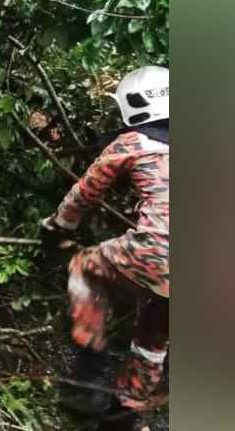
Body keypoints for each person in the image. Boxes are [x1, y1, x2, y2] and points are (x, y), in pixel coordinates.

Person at [40, 66, 169, 429]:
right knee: (157, 327)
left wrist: (58, 226)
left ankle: (85, 375)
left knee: (83, 266)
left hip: (161, 249)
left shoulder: (134, 142)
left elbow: (85, 192)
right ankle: (125, 411)